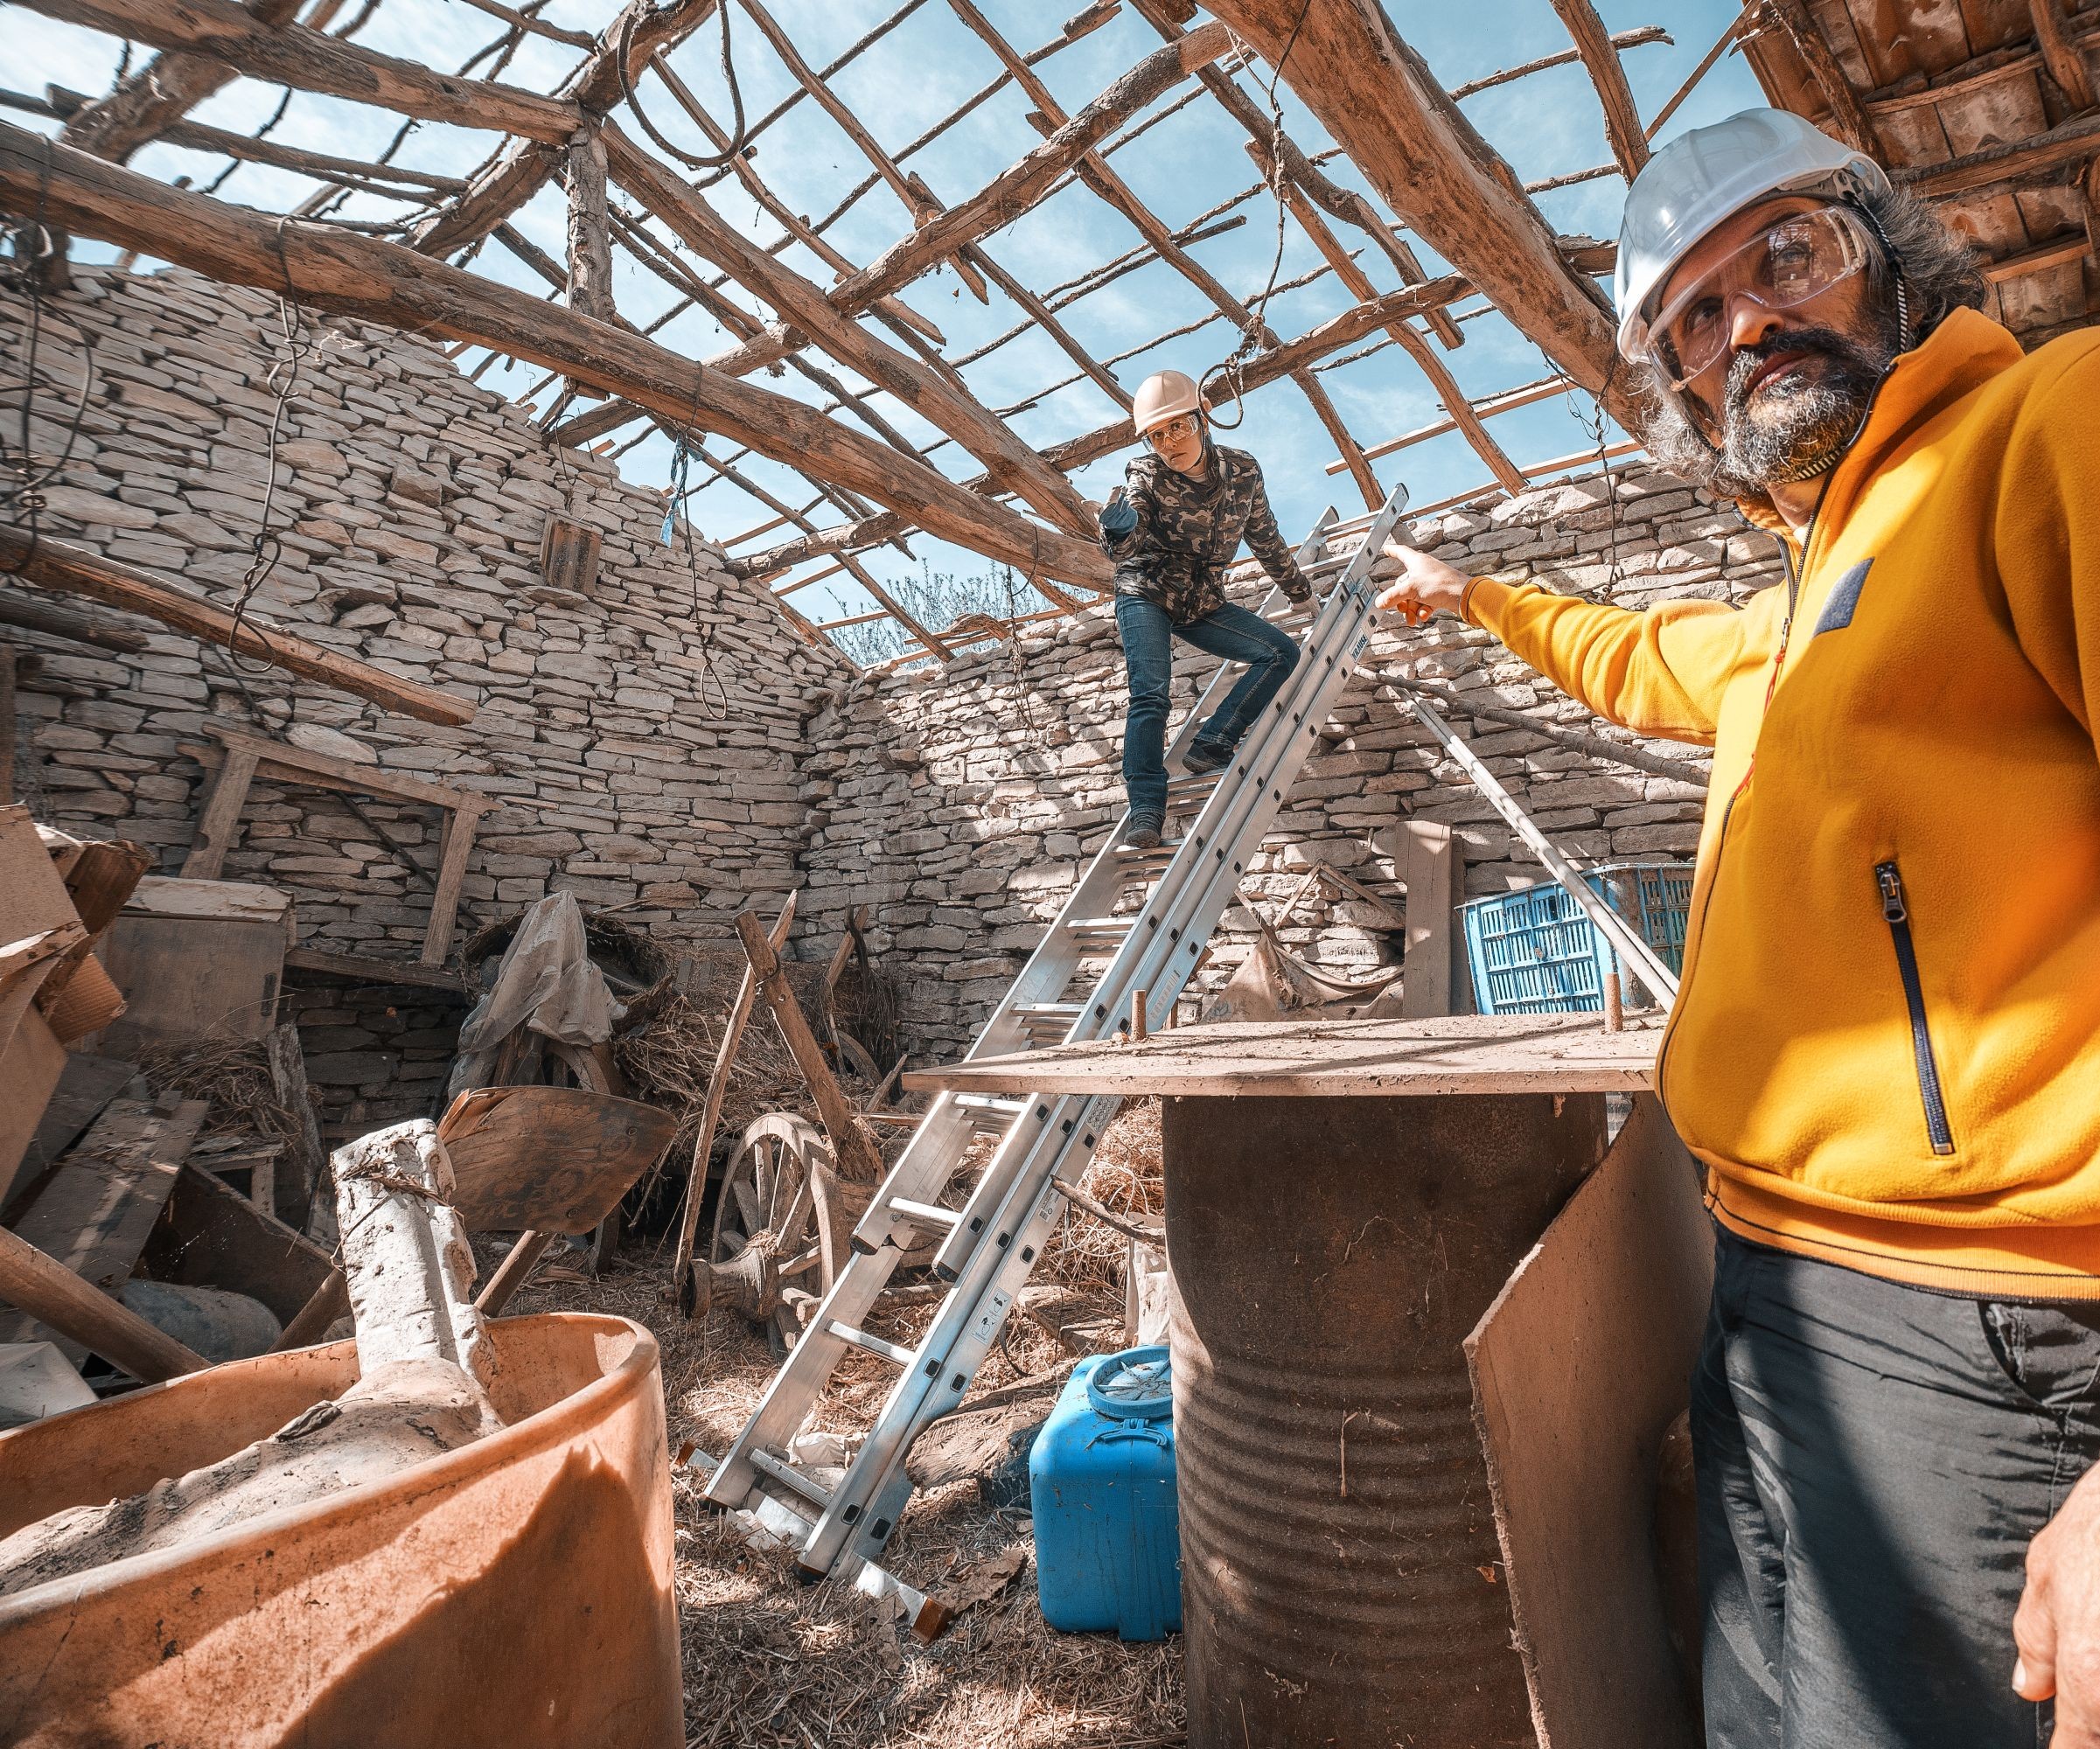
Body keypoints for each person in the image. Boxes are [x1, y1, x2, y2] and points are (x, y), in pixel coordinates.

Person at [1375, 108, 2100, 1749]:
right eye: (1696, 318)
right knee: (1757, 1714)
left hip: (1987, 1334)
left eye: (1786, 258)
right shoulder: (1788, 616)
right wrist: (1471, 593)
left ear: (1893, 263)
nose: (1748, 326)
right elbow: (1624, 654)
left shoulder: (2053, 427)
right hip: (1765, 1284)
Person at [1099, 370, 1310, 849]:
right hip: (1146, 592)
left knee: (1279, 652)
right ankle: (1147, 810)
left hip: (1201, 601)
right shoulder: (1144, 474)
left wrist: (1298, 591)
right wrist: (1117, 531)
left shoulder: (1243, 471)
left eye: (1177, 427)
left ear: (1203, 419)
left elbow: (1264, 537)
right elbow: (1126, 545)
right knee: (1150, 696)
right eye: (1156, 434)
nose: (1168, 442)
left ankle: (1212, 744)